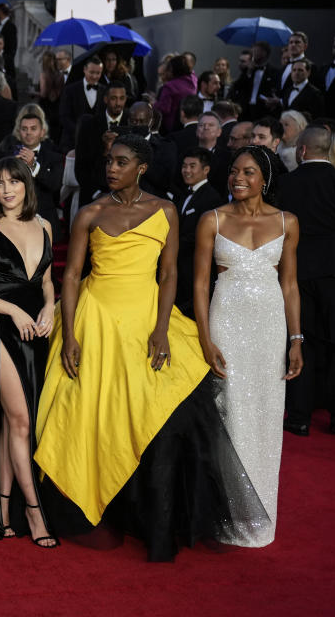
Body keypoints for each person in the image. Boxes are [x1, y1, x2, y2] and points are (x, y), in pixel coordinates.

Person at [33, 134, 269, 562]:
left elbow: (168, 275)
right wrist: (69, 335)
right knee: (85, 412)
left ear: (141, 168)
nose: (111, 168)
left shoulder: (164, 210)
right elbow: (70, 276)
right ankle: (85, 505)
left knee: (153, 410)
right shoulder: (90, 212)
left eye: (121, 162)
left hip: (145, 319)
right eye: (109, 161)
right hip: (96, 319)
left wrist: (161, 329)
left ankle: (149, 519)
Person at [192, 145, 302, 547]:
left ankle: (259, 516)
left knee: (266, 415)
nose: (238, 178)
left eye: (249, 172)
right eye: (234, 171)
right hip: (226, 321)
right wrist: (205, 339)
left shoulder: (287, 222)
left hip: (270, 326)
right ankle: (225, 515)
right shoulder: (212, 220)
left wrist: (295, 339)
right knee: (230, 412)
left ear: (265, 179)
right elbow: (201, 284)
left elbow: (289, 285)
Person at [0, 157, 58, 547]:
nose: (7, 189)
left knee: (13, 425)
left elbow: (47, 280)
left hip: (38, 332)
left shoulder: (45, 225)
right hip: (1, 331)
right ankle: (35, 515)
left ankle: (1, 510)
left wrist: (51, 306)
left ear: (26, 185)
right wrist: (14, 309)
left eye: (14, 182)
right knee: (20, 421)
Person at [276, 128, 335, 435]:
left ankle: (299, 417)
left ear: (301, 151)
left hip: (295, 274)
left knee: (299, 342)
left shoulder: (285, 184)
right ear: (328, 151)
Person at [173, 148, 224, 319]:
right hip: (180, 269)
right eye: (184, 166)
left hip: (195, 269)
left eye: (192, 166)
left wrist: (171, 245)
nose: (187, 170)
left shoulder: (212, 198)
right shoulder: (181, 195)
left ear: (206, 170)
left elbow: (200, 235)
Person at [156, 54, 197, 133]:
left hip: (171, 127)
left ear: (175, 69)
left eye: (170, 68)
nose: (168, 71)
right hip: (188, 124)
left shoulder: (170, 86)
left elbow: (164, 108)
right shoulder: (193, 80)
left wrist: (153, 103)